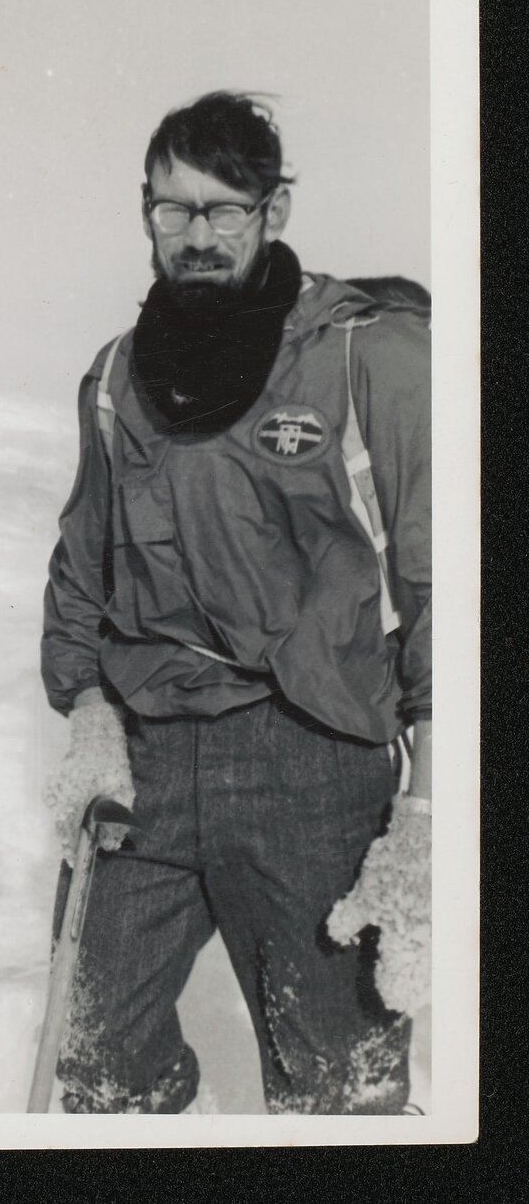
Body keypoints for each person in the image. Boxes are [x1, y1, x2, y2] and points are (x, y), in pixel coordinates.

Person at [40, 90, 431, 1115]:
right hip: (150, 756)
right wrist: (86, 709)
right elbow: (83, 562)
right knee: (92, 1056)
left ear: (275, 208)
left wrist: (427, 812)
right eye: (175, 208)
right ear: (147, 211)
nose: (199, 234)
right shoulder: (116, 378)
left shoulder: (368, 357)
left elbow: (443, 578)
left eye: (225, 208)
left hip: (312, 755)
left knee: (336, 1083)